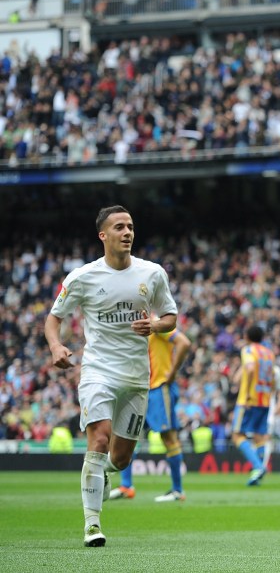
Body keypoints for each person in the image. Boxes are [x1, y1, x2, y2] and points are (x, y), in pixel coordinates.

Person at [45, 205, 178, 547]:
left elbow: (171, 317)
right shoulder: (83, 277)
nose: (127, 232)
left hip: (136, 377)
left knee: (119, 459)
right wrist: (56, 347)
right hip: (98, 371)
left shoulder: (152, 274)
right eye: (119, 227)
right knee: (99, 441)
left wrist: (156, 325)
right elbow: (53, 318)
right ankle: (92, 525)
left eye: (130, 226)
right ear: (103, 235)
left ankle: (102, 475)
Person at [110, 329, 192, 502]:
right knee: (127, 435)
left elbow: (184, 343)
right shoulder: (137, 327)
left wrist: (172, 373)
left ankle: (178, 490)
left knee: (168, 437)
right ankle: (126, 486)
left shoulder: (158, 325)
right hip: (140, 389)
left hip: (159, 389)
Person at [231, 325, 277, 486]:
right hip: (264, 399)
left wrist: (249, 393)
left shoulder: (249, 350)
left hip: (249, 400)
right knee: (258, 436)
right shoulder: (269, 353)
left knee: (237, 435)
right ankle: (258, 473)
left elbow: (250, 369)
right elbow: (272, 376)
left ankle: (258, 467)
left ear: (247, 336)